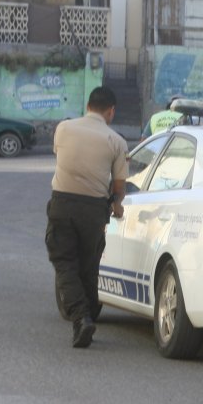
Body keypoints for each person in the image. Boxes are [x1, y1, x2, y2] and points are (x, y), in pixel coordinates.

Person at [47, 86, 128, 348]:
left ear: (88, 106)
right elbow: (118, 189)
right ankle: (88, 313)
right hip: (94, 210)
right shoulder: (116, 141)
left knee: (64, 262)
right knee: (88, 265)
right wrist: (116, 205)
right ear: (111, 111)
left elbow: (63, 158)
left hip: (62, 203)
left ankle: (81, 318)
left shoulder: (63, 129)